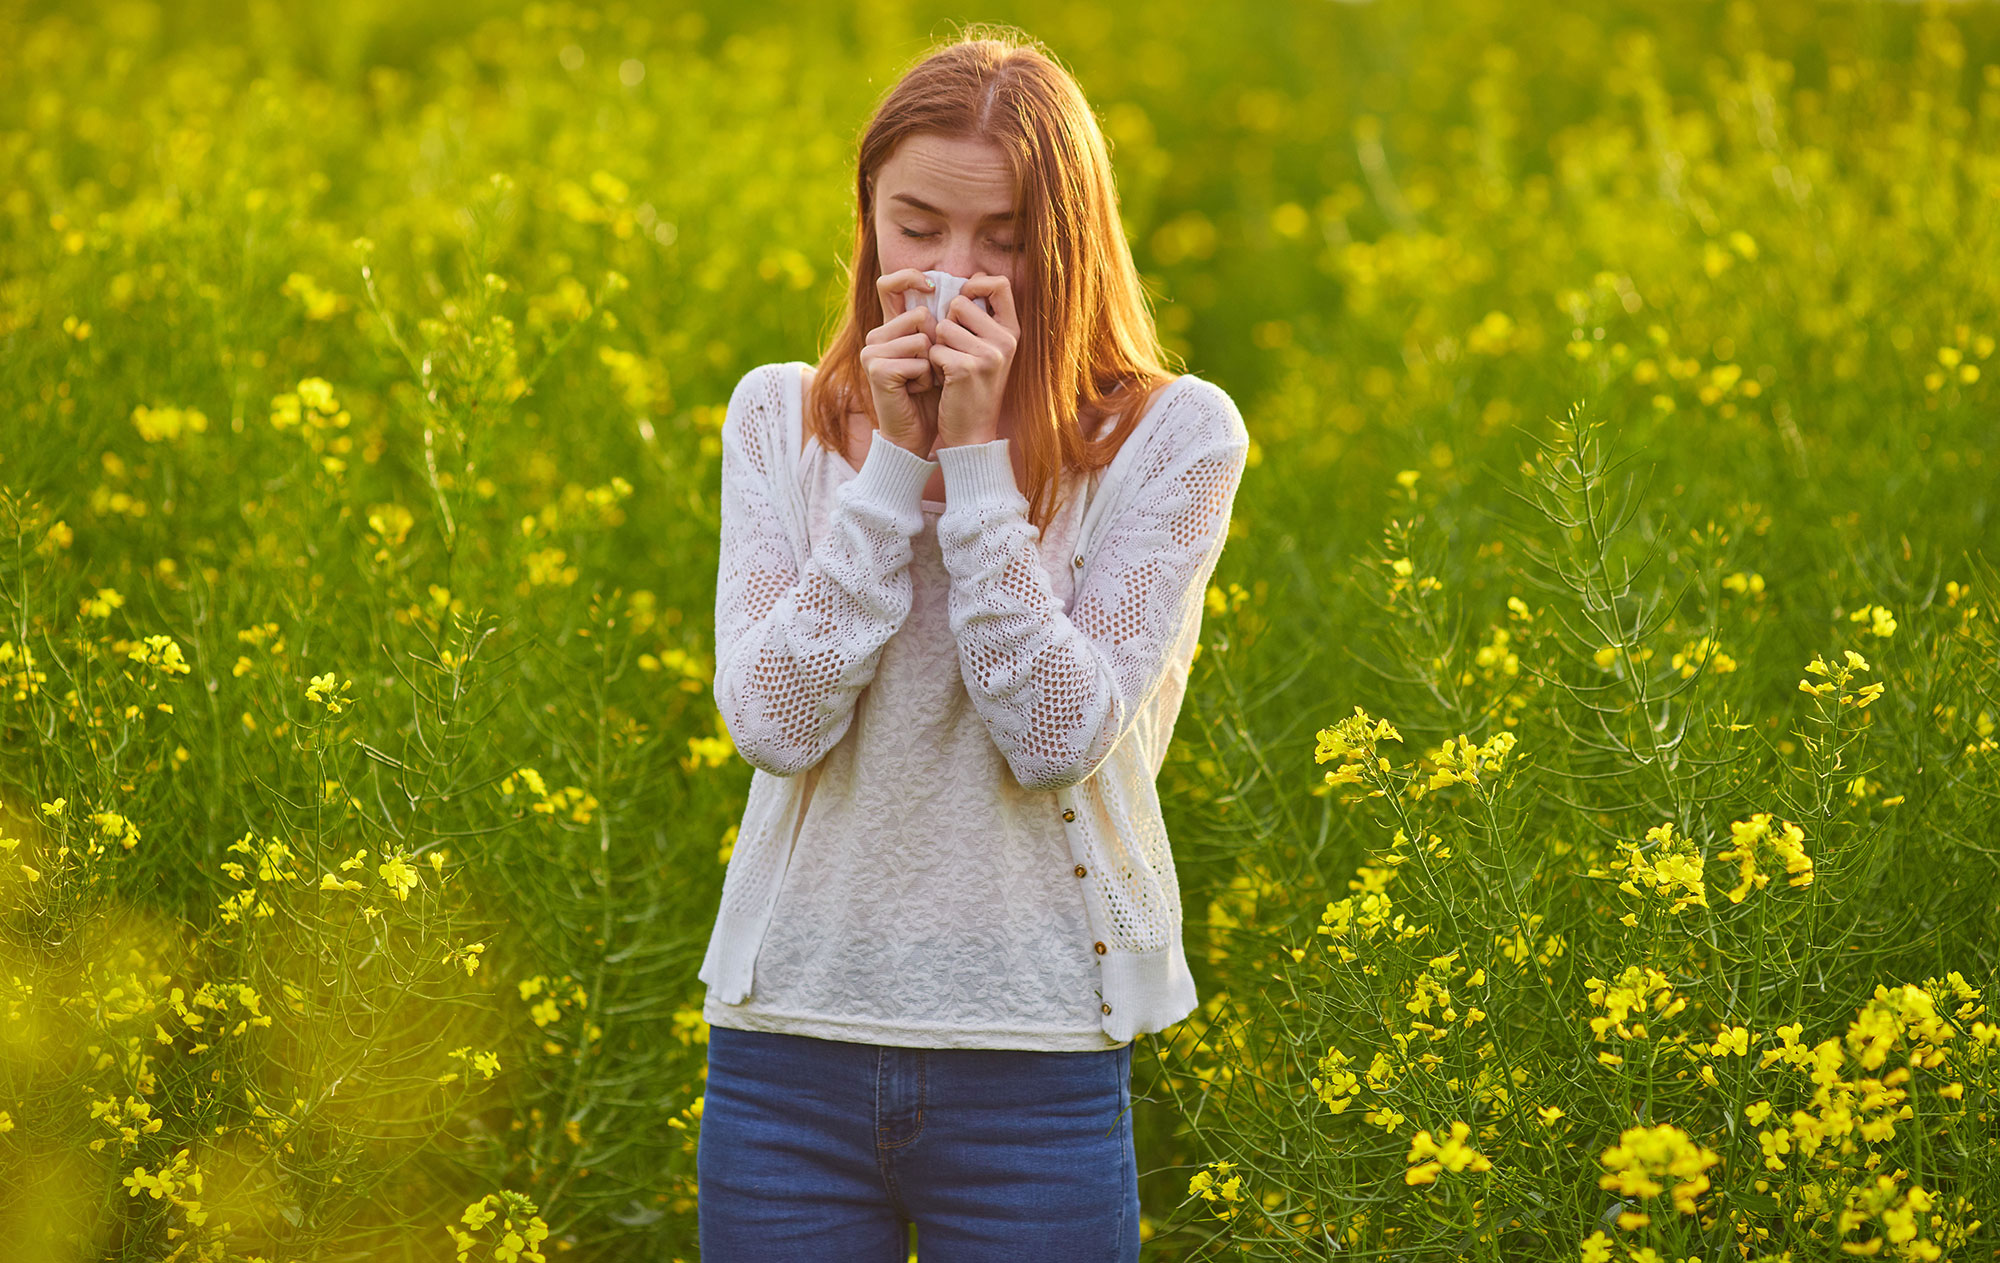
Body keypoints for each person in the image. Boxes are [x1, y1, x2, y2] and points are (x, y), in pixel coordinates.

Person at [695, 24, 1250, 1263]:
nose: (953, 274)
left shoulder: (1174, 440)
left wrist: (977, 465)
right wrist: (891, 470)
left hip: (1035, 1066)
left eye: (1004, 241)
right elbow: (773, 725)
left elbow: (1054, 735)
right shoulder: (777, 416)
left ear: (1068, 242)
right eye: (916, 226)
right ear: (866, 219)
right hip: (786, 1050)